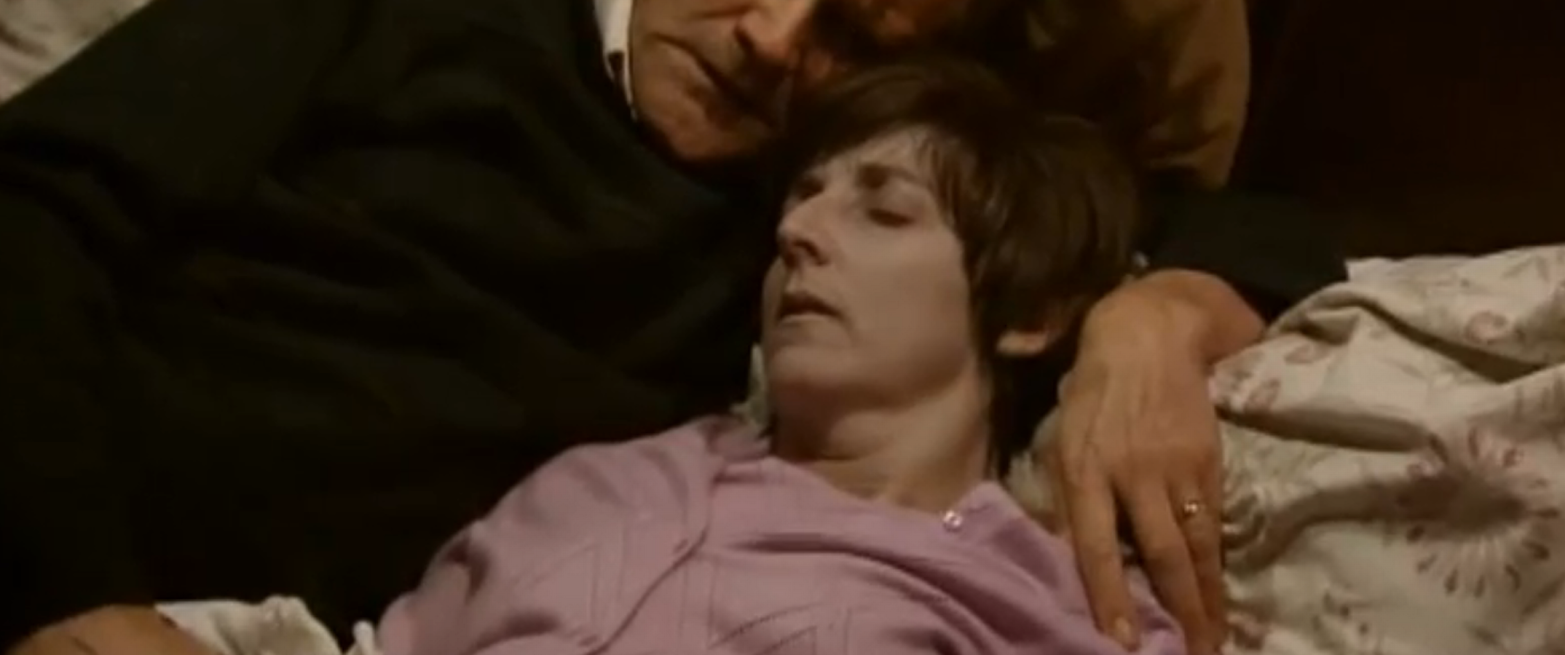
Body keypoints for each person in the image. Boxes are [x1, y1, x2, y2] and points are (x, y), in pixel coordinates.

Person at [1, 0, 1341, 655]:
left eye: (854, 34)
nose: (774, 38)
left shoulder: (809, 215)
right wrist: (73, 592)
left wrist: (1156, 316)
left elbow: (1277, 226)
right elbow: (33, 202)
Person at [166, 57, 1185, 655]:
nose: (800, 232)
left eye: (884, 211)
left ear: (1029, 314)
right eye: (802, 199)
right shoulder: (600, 482)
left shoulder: (1055, 601)